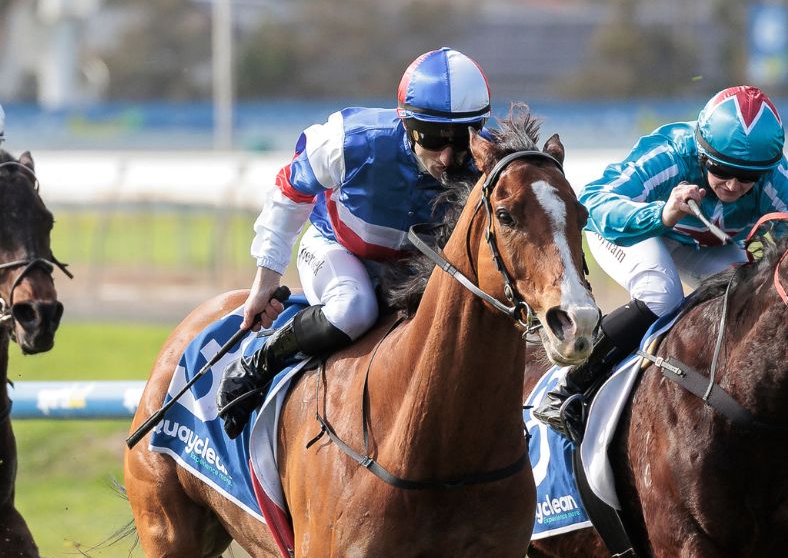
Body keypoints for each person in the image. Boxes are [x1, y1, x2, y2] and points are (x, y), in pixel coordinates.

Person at [216, 47, 491, 439]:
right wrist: (265, 282)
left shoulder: (491, 157)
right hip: (339, 250)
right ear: (407, 123)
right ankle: (261, 360)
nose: (448, 158)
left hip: (417, 269)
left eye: (463, 139)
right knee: (354, 307)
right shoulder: (352, 140)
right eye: (433, 137)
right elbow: (289, 191)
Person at [535, 85, 788, 441]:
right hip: (631, 230)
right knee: (662, 293)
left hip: (700, 243)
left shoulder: (776, 179)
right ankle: (570, 388)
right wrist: (662, 212)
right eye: (721, 169)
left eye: (748, 176)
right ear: (702, 154)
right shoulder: (670, 155)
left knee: (744, 294)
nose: (732, 185)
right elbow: (593, 202)